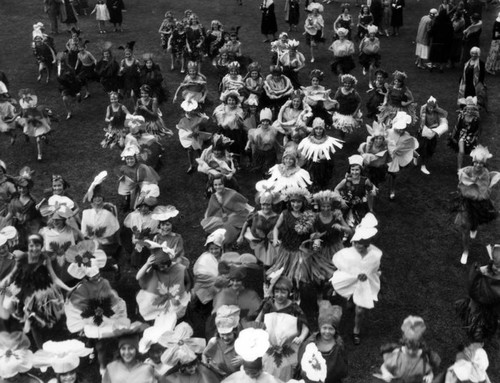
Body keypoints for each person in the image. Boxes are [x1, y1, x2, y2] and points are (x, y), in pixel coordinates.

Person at [1, 234, 69, 348]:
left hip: (31, 285)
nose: (2, 250)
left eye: (4, 247)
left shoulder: (18, 255)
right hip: (11, 290)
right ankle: (30, 334)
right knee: (12, 307)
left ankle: (55, 329)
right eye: (0, 249)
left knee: (48, 305)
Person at [330, 213, 381, 345]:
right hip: (351, 278)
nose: (358, 246)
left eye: (361, 244)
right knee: (351, 297)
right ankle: (351, 297)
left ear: (367, 244)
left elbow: (374, 269)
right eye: (356, 243)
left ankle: (356, 330)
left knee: (360, 310)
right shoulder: (349, 252)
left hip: (365, 281)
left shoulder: (373, 255)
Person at [256, 274, 310, 381]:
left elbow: (306, 327)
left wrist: (301, 337)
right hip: (270, 344)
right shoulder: (269, 305)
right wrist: (258, 329)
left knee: (285, 369)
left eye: (283, 292)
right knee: (267, 366)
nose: (279, 295)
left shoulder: (294, 308)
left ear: (289, 293)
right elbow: (258, 320)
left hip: (288, 346)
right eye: (277, 292)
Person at [454, 146, 499, 264]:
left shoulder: (485, 174)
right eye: (476, 162)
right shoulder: (467, 170)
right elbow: (462, 185)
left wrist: (473, 184)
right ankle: (465, 251)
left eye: (481, 163)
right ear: (473, 161)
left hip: (479, 204)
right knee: (464, 227)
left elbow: (483, 191)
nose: (478, 165)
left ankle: (474, 227)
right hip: (466, 203)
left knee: (475, 220)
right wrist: (470, 184)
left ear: (484, 164)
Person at [268, 187, 316, 285]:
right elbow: (276, 227)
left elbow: (313, 233)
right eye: (293, 202)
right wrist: (275, 238)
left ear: (303, 202)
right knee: (283, 271)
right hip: (286, 249)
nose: (296, 204)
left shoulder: (307, 216)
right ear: (289, 202)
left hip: (300, 251)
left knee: (298, 275)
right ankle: (285, 288)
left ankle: (297, 292)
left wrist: (315, 240)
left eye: (298, 202)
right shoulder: (285, 214)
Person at [374, 316, 440, 383]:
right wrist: (386, 374)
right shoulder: (397, 355)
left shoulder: (424, 356)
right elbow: (385, 366)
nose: (411, 352)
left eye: (415, 349)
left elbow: (429, 369)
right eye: (409, 348)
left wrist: (429, 375)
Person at [456, 244, 500, 340]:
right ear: (491, 262)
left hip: (490, 308)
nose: (498, 270)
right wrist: (477, 272)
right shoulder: (484, 270)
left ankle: (480, 337)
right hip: (477, 302)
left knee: (484, 327)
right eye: (496, 266)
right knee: (474, 323)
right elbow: (472, 284)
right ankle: (475, 332)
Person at [298, 302, 348, 383]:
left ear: (335, 330)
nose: (327, 332)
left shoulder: (338, 344)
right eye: (324, 328)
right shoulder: (310, 343)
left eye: (331, 329)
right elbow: (302, 359)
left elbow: (342, 364)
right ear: (320, 328)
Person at [201, 174, 253, 246]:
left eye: (220, 184)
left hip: (235, 216)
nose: (217, 187)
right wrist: (209, 218)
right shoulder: (214, 196)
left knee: (227, 237)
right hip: (223, 216)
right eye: (215, 185)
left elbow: (243, 204)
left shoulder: (232, 194)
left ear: (224, 184)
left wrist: (250, 211)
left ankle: (235, 233)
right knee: (208, 224)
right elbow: (211, 209)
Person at [298, 117, 343, 191]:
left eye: (320, 129)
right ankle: (313, 188)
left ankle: (322, 187)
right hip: (312, 163)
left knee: (323, 177)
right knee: (312, 177)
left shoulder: (327, 140)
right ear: (313, 129)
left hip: (324, 163)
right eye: (316, 129)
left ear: (323, 130)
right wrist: (312, 158)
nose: (318, 131)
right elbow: (305, 152)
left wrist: (324, 157)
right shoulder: (308, 140)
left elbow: (328, 152)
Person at [237, 190, 279, 267]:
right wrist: (241, 236)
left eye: (268, 205)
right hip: (257, 241)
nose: (265, 207)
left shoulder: (276, 217)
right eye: (263, 205)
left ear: (272, 204)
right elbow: (246, 223)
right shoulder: (256, 215)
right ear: (260, 204)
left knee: (271, 262)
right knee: (256, 262)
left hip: (271, 242)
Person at [335, 155, 376, 228]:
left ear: (361, 170)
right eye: (352, 169)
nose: (354, 172)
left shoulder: (365, 181)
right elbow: (336, 189)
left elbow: (370, 193)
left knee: (360, 221)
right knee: (346, 219)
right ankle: (347, 232)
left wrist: (371, 208)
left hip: (360, 205)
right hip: (347, 204)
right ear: (350, 170)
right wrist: (341, 200)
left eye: (357, 170)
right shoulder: (346, 181)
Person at [386, 111, 419, 200]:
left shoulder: (406, 136)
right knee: (386, 172)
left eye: (403, 129)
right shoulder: (389, 132)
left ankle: (391, 190)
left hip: (397, 158)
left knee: (393, 174)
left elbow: (409, 147)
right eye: (399, 128)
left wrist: (415, 155)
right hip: (386, 156)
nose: (401, 131)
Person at [203, 305, 242, 378]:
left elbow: (253, 360)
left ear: (234, 332)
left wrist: (243, 359)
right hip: (218, 377)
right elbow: (204, 354)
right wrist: (205, 365)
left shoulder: (241, 342)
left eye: (228, 334)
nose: (225, 338)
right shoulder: (214, 341)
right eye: (222, 334)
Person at [118, 144, 160, 211]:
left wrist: (147, 184)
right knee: (129, 194)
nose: (129, 161)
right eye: (127, 159)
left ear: (135, 159)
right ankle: (128, 202)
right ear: (125, 160)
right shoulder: (124, 168)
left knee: (140, 196)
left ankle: (141, 205)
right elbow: (123, 175)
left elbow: (148, 177)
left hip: (141, 183)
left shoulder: (142, 167)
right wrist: (122, 178)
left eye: (131, 159)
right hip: (131, 184)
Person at [16, 89, 53, 161]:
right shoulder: (25, 110)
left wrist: (39, 120)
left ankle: (40, 154)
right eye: (25, 99)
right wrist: (23, 119)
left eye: (28, 99)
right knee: (38, 138)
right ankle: (44, 137)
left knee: (38, 140)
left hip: (40, 124)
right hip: (32, 125)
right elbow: (23, 116)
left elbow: (42, 118)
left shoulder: (38, 111)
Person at [415, 97, 448, 175]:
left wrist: (437, 108)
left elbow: (445, 114)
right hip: (423, 133)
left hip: (432, 133)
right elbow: (422, 109)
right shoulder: (423, 111)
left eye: (433, 107)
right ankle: (422, 165)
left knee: (430, 149)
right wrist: (428, 104)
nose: (431, 109)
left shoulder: (436, 112)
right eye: (429, 107)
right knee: (422, 148)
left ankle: (419, 160)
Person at [246, 108, 283, 175]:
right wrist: (247, 145)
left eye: (267, 121)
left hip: (270, 152)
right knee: (258, 169)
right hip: (260, 152)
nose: (265, 123)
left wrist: (279, 146)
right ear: (261, 121)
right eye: (263, 121)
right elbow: (251, 140)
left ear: (269, 121)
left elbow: (274, 140)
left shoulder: (273, 130)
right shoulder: (257, 131)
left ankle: (267, 175)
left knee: (268, 170)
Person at [449, 96, 481, 170]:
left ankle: (475, 168)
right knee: (461, 151)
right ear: (466, 108)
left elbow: (477, 130)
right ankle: (459, 168)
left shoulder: (476, 119)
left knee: (474, 154)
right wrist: (453, 136)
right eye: (468, 109)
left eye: (471, 109)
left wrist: (474, 138)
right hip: (462, 135)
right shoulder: (462, 116)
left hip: (471, 136)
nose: (469, 111)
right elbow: (456, 127)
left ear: (474, 109)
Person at [213, 90, 246, 164]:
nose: (231, 102)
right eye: (229, 100)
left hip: (234, 133)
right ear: (226, 101)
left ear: (236, 101)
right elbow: (217, 115)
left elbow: (240, 124)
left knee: (235, 146)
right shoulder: (223, 108)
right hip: (224, 131)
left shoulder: (239, 110)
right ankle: (224, 161)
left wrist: (236, 119)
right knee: (223, 145)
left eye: (233, 100)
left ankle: (236, 161)